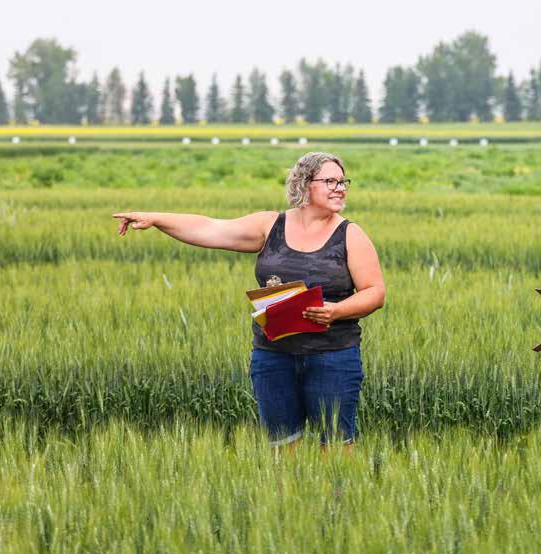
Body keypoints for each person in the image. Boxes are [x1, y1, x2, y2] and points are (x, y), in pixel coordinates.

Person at [113, 151, 385, 447]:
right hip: (273, 357)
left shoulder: (350, 234)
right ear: (305, 183)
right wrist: (155, 218)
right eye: (330, 181)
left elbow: (374, 292)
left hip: (332, 357)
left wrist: (337, 311)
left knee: (334, 448)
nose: (340, 188)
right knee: (281, 447)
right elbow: (210, 228)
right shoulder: (270, 226)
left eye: (343, 181)